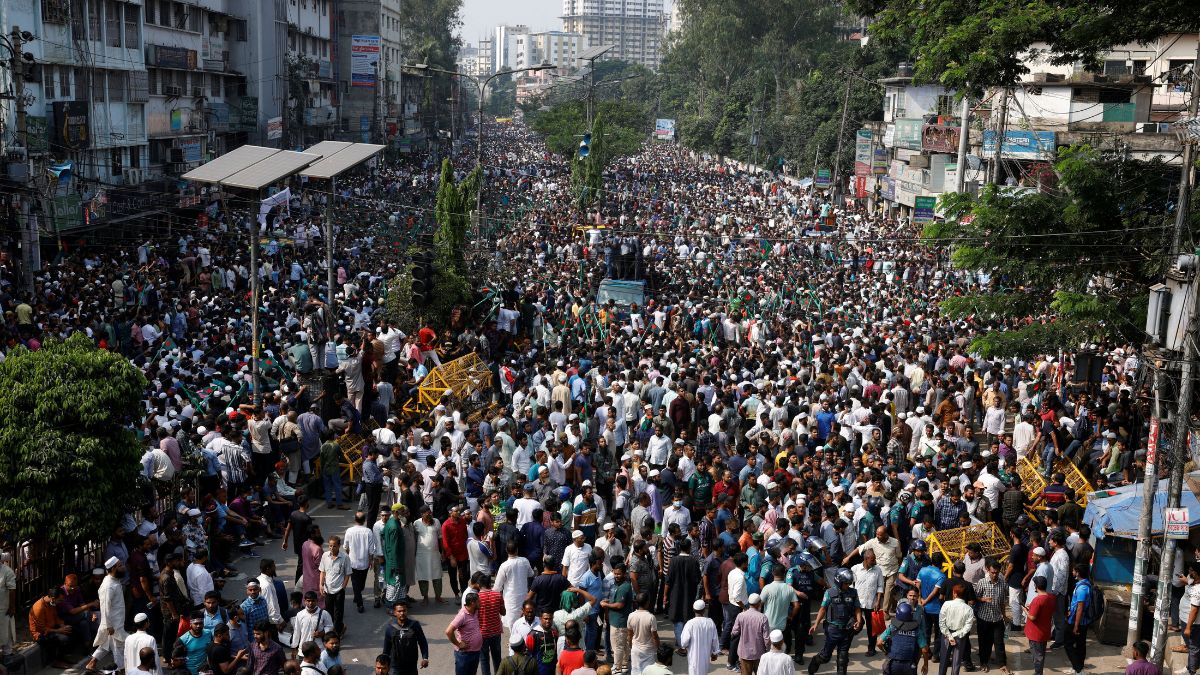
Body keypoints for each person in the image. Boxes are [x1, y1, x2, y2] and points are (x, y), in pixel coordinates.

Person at [807, 568, 861, 675]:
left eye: (850, 583)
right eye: (846, 583)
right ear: (839, 582)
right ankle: (814, 664)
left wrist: (858, 621)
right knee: (825, 657)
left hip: (846, 630)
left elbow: (857, 608)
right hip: (833, 630)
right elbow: (822, 609)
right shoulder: (829, 593)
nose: (848, 585)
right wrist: (816, 624)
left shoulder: (853, 593)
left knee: (843, 660)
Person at [87, 556, 128, 671]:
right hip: (113, 624)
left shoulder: (113, 581)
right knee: (118, 648)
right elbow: (104, 607)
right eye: (120, 566)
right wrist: (109, 625)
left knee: (106, 644)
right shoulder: (108, 586)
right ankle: (121, 670)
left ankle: (92, 663)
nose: (123, 567)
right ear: (113, 568)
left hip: (117, 621)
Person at [972, 559, 1008, 674]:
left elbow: (1002, 602)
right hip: (984, 618)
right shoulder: (982, 582)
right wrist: (982, 599)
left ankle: (1002, 664)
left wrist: (1004, 616)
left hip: (997, 618)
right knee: (984, 643)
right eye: (993, 572)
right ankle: (983, 662)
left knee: (999, 642)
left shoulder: (1003, 583)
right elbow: (975, 598)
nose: (995, 574)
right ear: (988, 570)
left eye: (997, 572)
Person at [878, 602, 929, 675]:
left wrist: (885, 652)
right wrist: (925, 665)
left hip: (893, 663)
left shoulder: (892, 627)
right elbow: (924, 650)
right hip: (910, 665)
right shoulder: (917, 630)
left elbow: (879, 643)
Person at [29, 587, 73, 669]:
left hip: (51, 628)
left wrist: (61, 625)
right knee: (62, 638)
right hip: (40, 634)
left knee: (70, 630)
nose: (60, 602)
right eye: (59, 600)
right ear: (53, 598)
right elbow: (42, 629)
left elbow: (56, 617)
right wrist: (58, 630)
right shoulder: (39, 608)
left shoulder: (52, 603)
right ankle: (54, 661)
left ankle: (62, 658)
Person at [345, 511, 380, 614]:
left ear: (355, 520)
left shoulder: (349, 531)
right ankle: (359, 603)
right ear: (364, 520)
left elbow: (346, 547)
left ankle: (357, 595)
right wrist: (370, 560)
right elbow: (371, 549)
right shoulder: (368, 531)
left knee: (356, 583)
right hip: (364, 562)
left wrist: (349, 554)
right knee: (359, 583)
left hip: (353, 562)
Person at [383, 601, 429, 675]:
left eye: (404, 610)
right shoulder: (390, 628)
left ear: (407, 611)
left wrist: (425, 658)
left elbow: (422, 642)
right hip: (395, 667)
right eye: (399, 611)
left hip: (411, 666)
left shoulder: (415, 625)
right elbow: (386, 647)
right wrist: (383, 662)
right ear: (395, 613)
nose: (402, 613)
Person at [937, 584, 974, 675]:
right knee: (956, 663)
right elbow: (967, 627)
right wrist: (954, 635)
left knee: (943, 661)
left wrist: (949, 636)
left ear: (955, 594)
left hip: (946, 634)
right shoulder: (969, 609)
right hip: (960, 636)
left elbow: (941, 622)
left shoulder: (946, 604)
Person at [731, 593, 771, 675]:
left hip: (744, 652)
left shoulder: (741, 615)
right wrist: (768, 650)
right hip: (759, 653)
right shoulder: (763, 617)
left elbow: (734, 632)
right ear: (759, 603)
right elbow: (766, 638)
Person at [320, 536, 352, 636]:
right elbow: (322, 571)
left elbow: (347, 573)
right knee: (328, 613)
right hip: (328, 589)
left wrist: (343, 586)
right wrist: (321, 585)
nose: (332, 548)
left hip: (339, 590)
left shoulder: (345, 557)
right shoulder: (325, 556)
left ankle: (337, 633)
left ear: (339, 546)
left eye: (334, 546)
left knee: (338, 613)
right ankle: (333, 630)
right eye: (330, 546)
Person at [1064, 563, 1093, 675]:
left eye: (1074, 570)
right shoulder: (1084, 585)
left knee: (1068, 644)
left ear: (1078, 572)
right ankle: (1077, 668)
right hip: (1082, 621)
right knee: (1080, 645)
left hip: (1077, 621)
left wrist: (1075, 625)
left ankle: (1078, 669)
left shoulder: (1082, 588)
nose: (1072, 572)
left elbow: (1080, 607)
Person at [680, 600, 720, 675]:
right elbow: (715, 639)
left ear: (693, 609)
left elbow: (684, 642)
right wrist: (715, 653)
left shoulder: (690, 623)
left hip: (693, 656)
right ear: (704, 610)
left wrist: (684, 647)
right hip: (706, 656)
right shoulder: (710, 622)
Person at [448, 592, 484, 675]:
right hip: (464, 655)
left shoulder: (475, 611)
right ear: (472, 603)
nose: (480, 603)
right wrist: (458, 644)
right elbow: (448, 631)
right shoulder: (462, 615)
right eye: (478, 602)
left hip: (475, 652)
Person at [1023, 576, 1054, 675]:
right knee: (1040, 654)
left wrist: (1025, 611)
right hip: (1045, 631)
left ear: (1036, 586)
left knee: (1037, 657)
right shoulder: (1051, 597)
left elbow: (1032, 617)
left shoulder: (1038, 600)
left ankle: (1038, 673)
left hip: (1036, 633)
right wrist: (1031, 607)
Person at [627, 593, 660, 675]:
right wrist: (658, 647)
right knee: (649, 672)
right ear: (647, 603)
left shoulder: (631, 616)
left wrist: (631, 646)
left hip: (635, 649)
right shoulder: (651, 617)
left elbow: (629, 634)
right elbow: (654, 636)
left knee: (636, 671)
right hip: (648, 650)